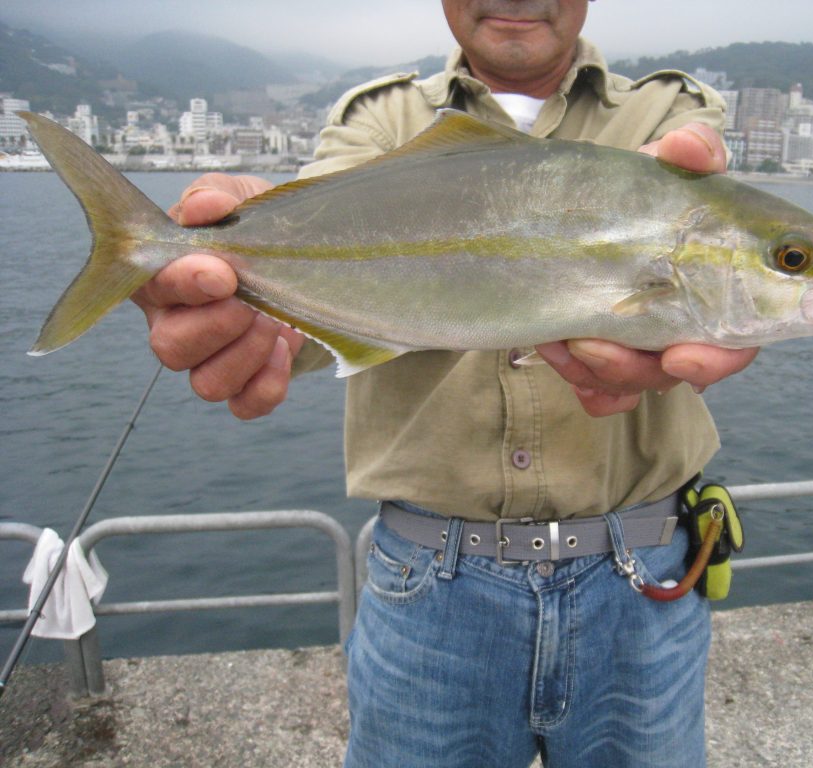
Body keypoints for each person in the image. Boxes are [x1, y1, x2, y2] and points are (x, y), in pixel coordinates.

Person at [134, 2, 758, 765]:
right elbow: (318, 270)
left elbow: (713, 241)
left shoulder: (669, 110)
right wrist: (251, 295)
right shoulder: (380, 120)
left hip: (646, 576)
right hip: (431, 586)